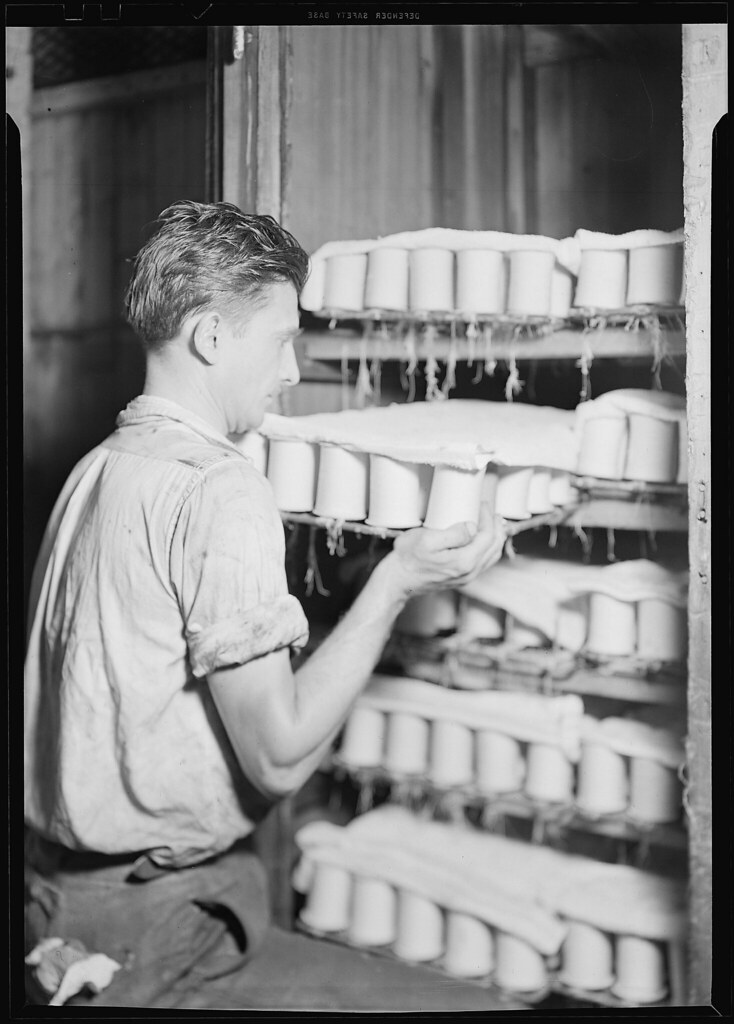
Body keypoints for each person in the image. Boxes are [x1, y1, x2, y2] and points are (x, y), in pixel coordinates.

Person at [24, 201, 511, 1011]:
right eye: (282, 338)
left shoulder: (100, 467)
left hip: (67, 899)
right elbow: (278, 756)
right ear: (211, 337)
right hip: (156, 929)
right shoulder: (220, 487)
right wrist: (395, 583)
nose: (292, 370)